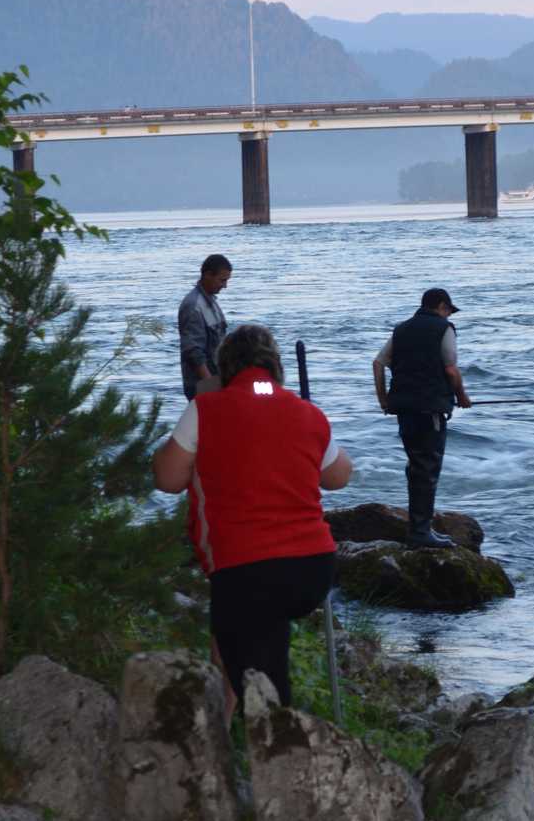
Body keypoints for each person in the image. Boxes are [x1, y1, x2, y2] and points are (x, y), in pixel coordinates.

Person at [152, 322, 353, 720]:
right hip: (313, 568)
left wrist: (202, 404)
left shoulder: (206, 410)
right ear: (276, 367)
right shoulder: (306, 412)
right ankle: (232, 739)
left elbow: (168, 478)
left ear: (224, 368)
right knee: (241, 643)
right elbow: (339, 476)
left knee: (264, 690)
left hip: (247, 571)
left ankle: (281, 755)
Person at [372, 287, 472, 549]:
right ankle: (420, 533)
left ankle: (418, 529)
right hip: (430, 410)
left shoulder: (401, 329)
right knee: (427, 469)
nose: (449, 314)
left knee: (416, 466)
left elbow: (378, 363)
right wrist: (462, 396)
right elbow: (450, 370)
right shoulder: (443, 328)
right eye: (449, 309)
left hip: (404, 409)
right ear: (440, 305)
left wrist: (384, 400)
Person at [177, 253, 231, 400]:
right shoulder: (193, 306)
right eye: (222, 280)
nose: (225, 286)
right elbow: (193, 351)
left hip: (215, 380)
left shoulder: (211, 302)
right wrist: (210, 385)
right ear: (208, 275)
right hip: (202, 385)